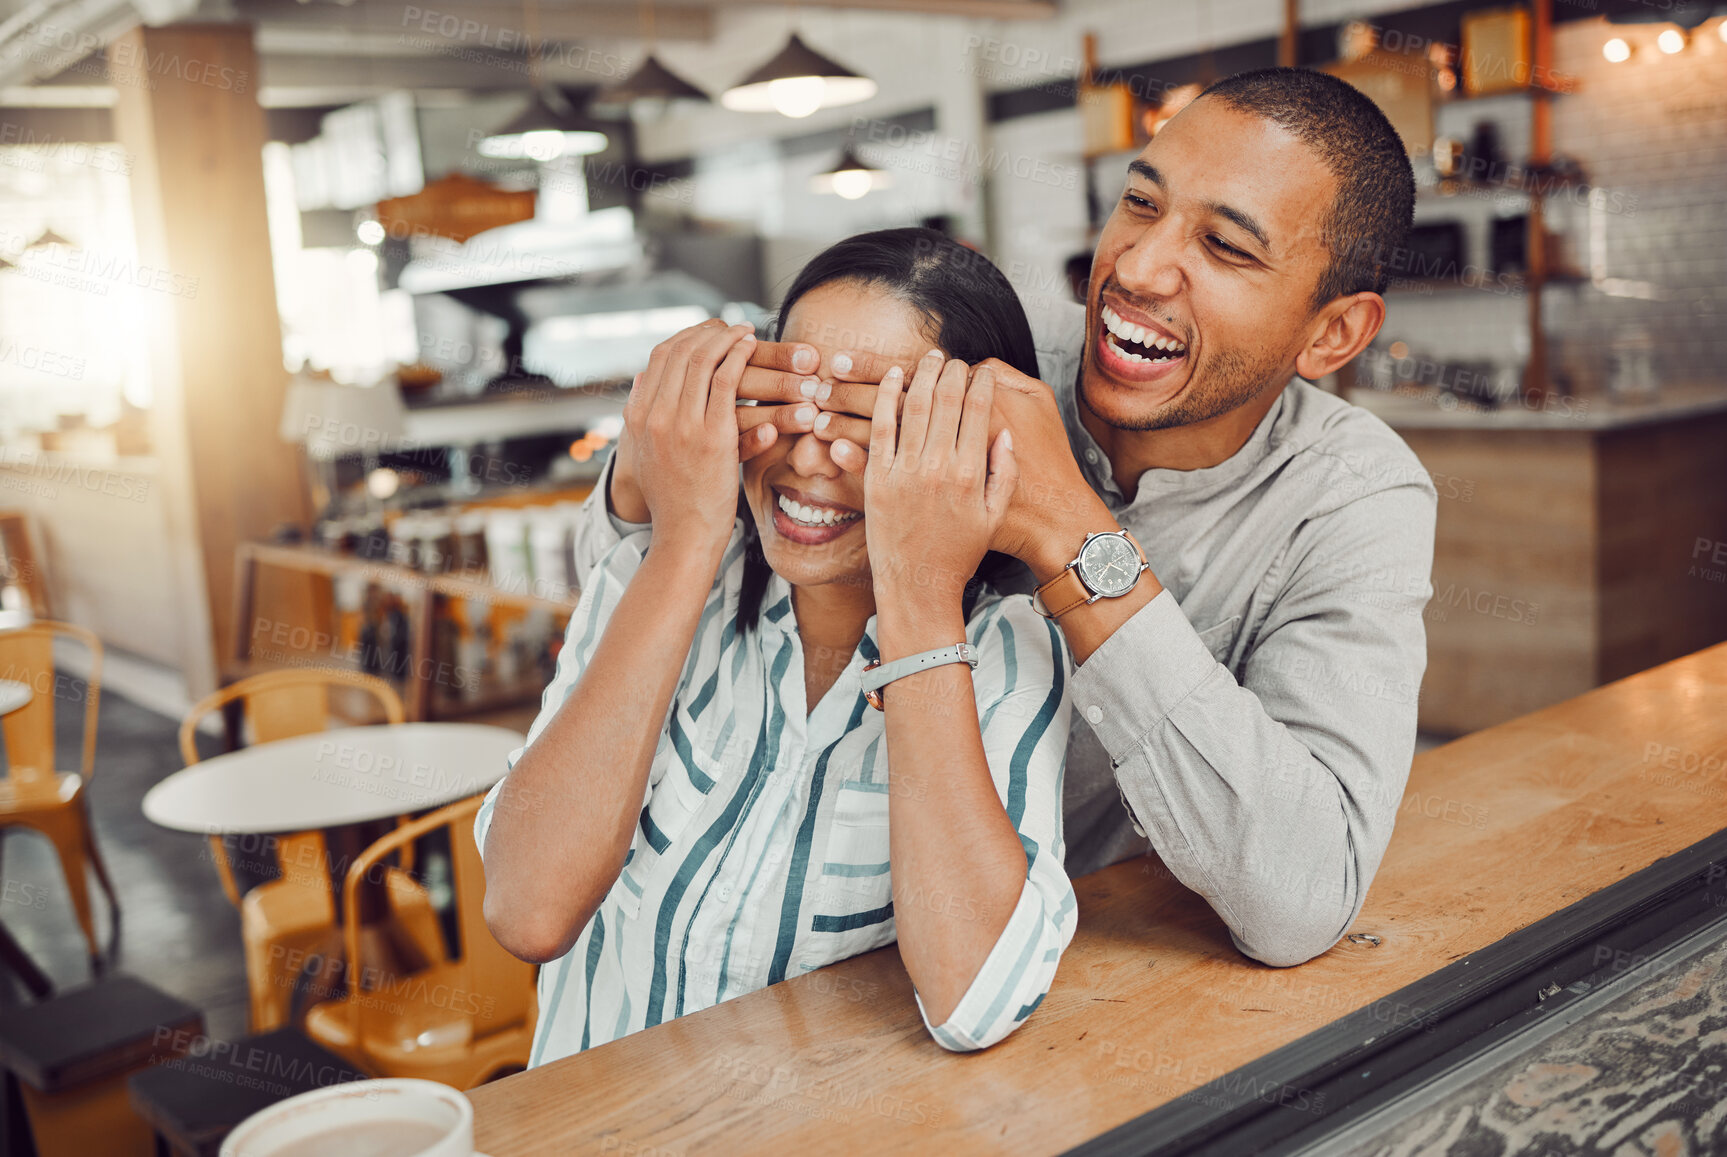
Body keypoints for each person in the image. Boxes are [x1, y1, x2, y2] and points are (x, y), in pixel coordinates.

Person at [576, 67, 1436, 969]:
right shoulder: (974, 344)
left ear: (1332, 333)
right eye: (1140, 205)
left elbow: (1300, 899)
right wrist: (641, 477)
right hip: (760, 932)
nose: (1135, 269)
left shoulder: (1356, 498)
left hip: (1041, 979)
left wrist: (1071, 535)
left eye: (1224, 247)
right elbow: (645, 564)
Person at [477, 228, 1076, 1066]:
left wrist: (918, 579)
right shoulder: (666, 576)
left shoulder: (1006, 650)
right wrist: (686, 532)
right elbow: (527, 909)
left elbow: (973, 1000)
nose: (810, 456)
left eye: (873, 421)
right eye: (789, 403)